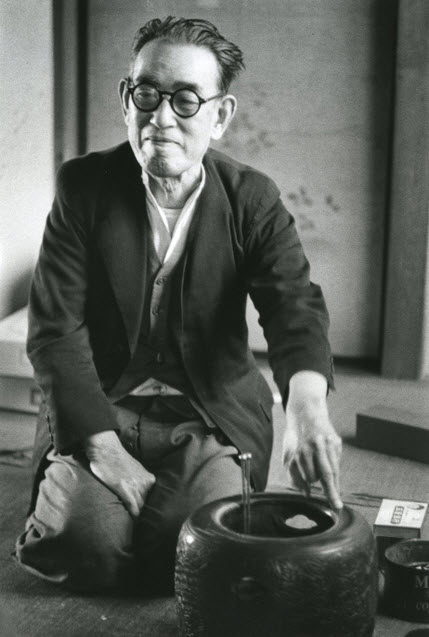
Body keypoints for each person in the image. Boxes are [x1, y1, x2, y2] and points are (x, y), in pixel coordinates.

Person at [15, 16, 342, 594]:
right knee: (85, 546)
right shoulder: (83, 187)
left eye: (186, 99)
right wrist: (102, 448)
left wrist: (308, 407)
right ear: (127, 99)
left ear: (220, 115)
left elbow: (293, 305)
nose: (161, 118)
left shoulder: (252, 198)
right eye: (147, 93)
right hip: (103, 404)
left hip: (207, 414)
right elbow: (55, 328)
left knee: (195, 548)